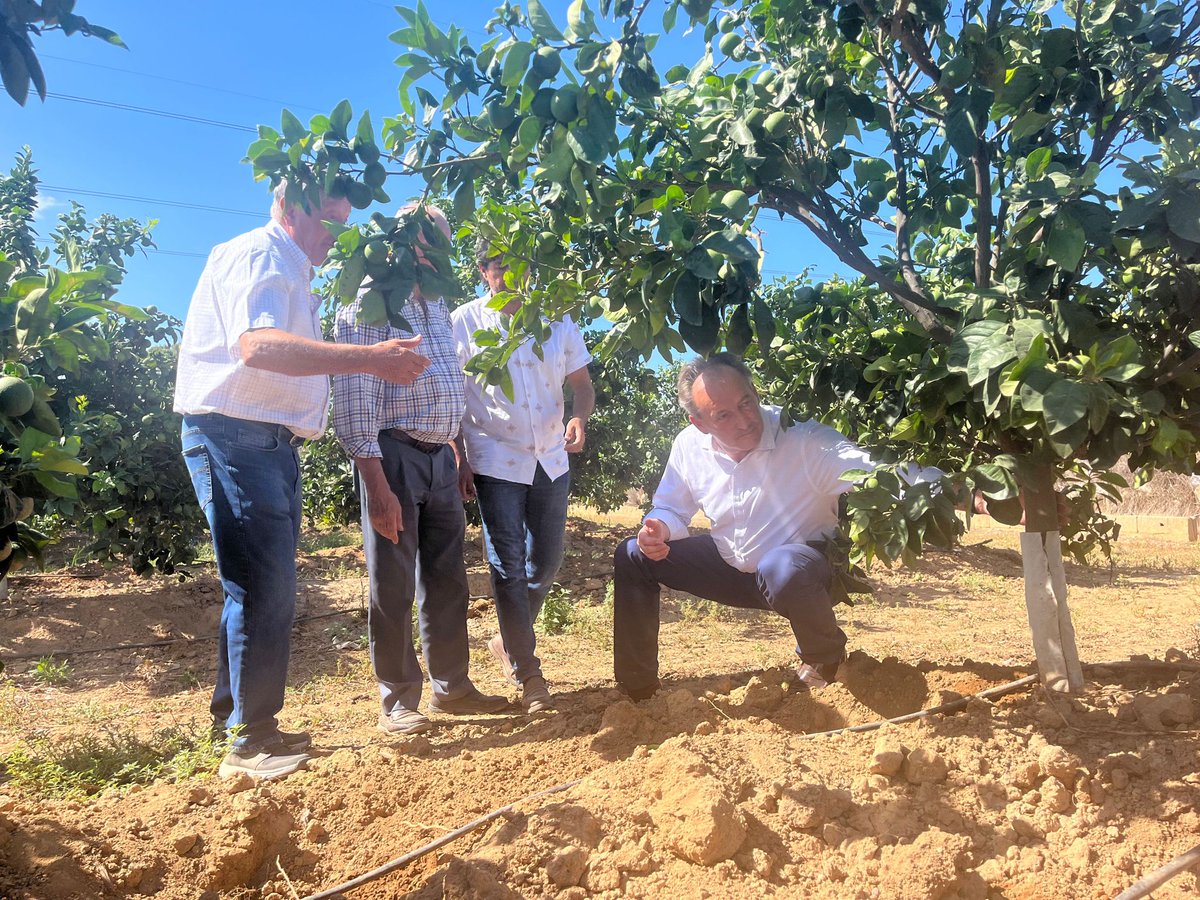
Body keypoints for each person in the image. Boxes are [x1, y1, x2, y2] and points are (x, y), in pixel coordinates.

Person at [176, 182, 430, 780]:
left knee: (255, 583)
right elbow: (258, 346)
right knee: (266, 586)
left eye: (344, 222)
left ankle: (237, 718)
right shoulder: (263, 254)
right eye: (327, 220)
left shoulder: (293, 268)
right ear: (287, 210)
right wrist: (370, 358)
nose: (335, 234)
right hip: (236, 435)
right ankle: (250, 741)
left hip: (267, 441)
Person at [612, 353, 942, 700]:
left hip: (802, 573)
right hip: (732, 566)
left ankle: (823, 659)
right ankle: (638, 687)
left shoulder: (804, 439)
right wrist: (659, 530)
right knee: (633, 554)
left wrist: (960, 490)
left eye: (746, 403)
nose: (745, 421)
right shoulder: (688, 446)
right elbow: (671, 508)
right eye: (724, 415)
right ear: (700, 423)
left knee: (781, 566)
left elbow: (876, 472)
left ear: (754, 391)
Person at [333, 205, 509, 737]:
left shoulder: (435, 302)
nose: (440, 253)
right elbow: (355, 398)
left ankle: (452, 688)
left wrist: (455, 449)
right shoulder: (371, 300)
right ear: (405, 242)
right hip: (393, 453)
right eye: (431, 242)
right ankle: (397, 700)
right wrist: (376, 484)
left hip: (438, 458)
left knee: (448, 580)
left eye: (444, 243)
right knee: (392, 582)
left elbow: (448, 381)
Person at [451, 239, 595, 713]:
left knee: (547, 560)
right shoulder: (463, 322)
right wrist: (459, 454)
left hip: (551, 456)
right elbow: (452, 395)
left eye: (518, 266)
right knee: (507, 567)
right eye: (499, 267)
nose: (510, 276)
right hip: (495, 457)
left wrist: (580, 417)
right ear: (482, 272)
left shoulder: (555, 317)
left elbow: (582, 383)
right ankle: (529, 675)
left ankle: (508, 640)